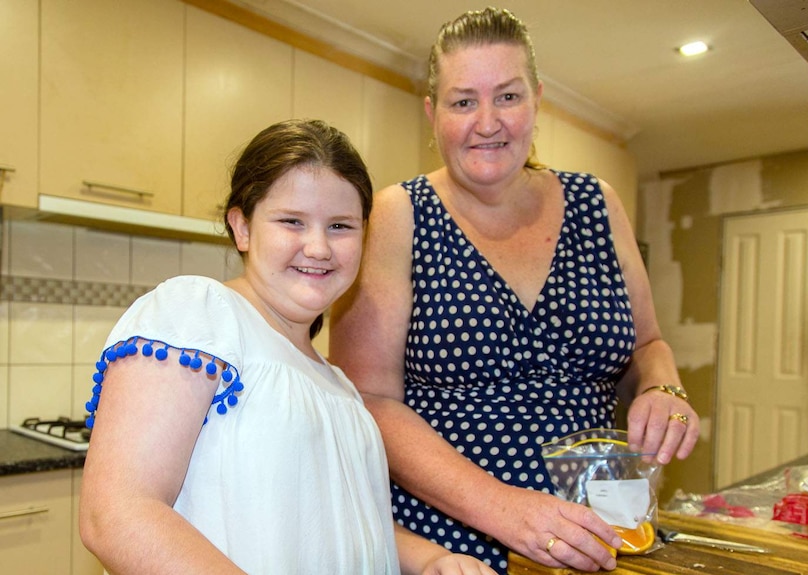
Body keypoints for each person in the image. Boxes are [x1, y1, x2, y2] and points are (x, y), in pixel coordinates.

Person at [329, 7, 700, 574]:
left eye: (507, 96)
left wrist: (663, 387)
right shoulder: (397, 215)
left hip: (600, 534)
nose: (487, 122)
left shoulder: (597, 203)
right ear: (432, 114)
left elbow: (647, 346)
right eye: (462, 101)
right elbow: (369, 401)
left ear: (537, 99)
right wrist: (503, 508)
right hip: (450, 548)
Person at [78, 119, 497, 575]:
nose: (318, 247)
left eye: (340, 226)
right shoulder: (198, 316)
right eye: (291, 221)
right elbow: (118, 513)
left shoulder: (337, 383)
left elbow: (336, 524)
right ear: (241, 227)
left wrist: (432, 559)